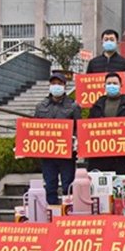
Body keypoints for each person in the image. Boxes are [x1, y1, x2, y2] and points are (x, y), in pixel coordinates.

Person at [33, 73, 81, 205]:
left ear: (65, 86)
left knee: (68, 186)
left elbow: (79, 127)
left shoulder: (73, 106)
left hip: (67, 154)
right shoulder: (41, 106)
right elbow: (34, 128)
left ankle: (68, 211)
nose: (56, 86)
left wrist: (76, 140)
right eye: (53, 84)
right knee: (50, 186)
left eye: (59, 84)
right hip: (48, 154)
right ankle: (52, 211)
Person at [87, 72, 125, 174]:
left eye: (115, 83)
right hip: (99, 155)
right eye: (109, 83)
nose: (112, 86)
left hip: (121, 156)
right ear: (104, 86)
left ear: (121, 85)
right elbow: (88, 127)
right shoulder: (97, 106)